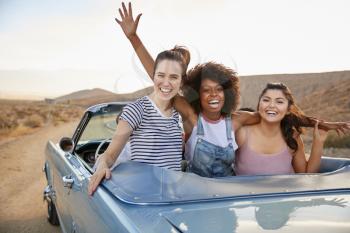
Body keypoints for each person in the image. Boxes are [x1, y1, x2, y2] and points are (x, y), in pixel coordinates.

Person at [115, 2, 349, 178]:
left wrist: (318, 123)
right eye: (206, 90)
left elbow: (277, 114)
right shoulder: (192, 118)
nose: (213, 95)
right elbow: (162, 81)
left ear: (228, 94)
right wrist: (134, 38)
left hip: (229, 198)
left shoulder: (237, 120)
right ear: (198, 94)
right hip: (193, 198)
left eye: (219, 89)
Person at [88, 45, 190, 195]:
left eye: (173, 77)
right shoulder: (136, 110)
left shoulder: (176, 115)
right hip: (144, 197)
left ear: (181, 81)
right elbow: (109, 155)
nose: (166, 83)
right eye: (161, 75)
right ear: (153, 75)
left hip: (172, 198)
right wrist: (102, 165)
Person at [234, 83, 329, 175]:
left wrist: (319, 141)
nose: (271, 105)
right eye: (266, 100)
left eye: (279, 102)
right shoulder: (241, 133)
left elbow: (306, 175)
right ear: (259, 105)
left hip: (286, 190)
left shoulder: (292, 137)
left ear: (288, 110)